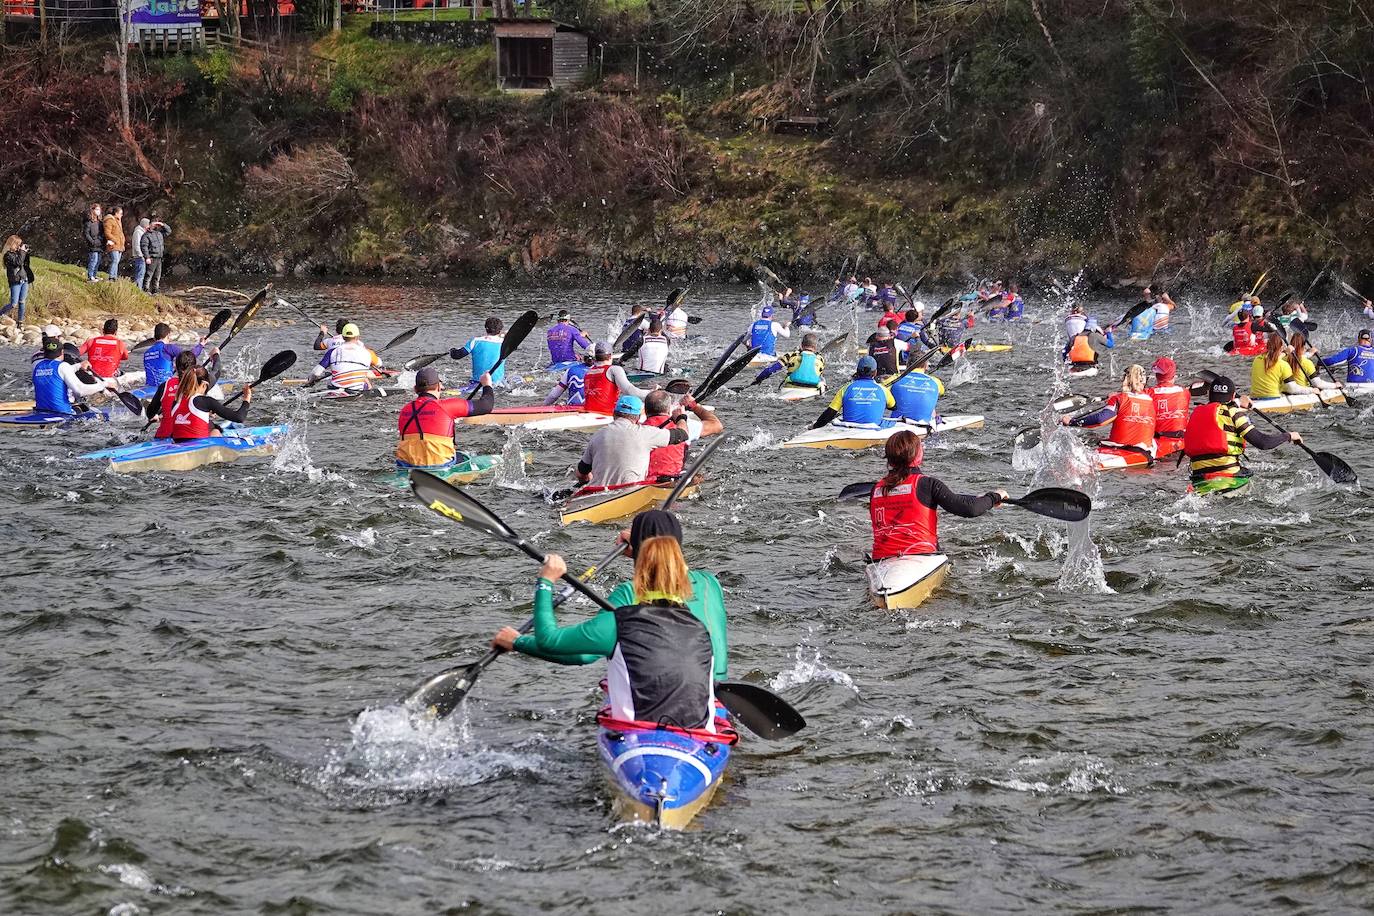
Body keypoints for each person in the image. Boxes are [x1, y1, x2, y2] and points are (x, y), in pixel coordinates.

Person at [493, 510, 729, 732]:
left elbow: (581, 655)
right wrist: (642, 551)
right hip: (709, 700)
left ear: (637, 551)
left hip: (646, 722)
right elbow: (671, 567)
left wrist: (519, 640)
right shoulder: (710, 584)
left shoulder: (626, 599)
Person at [869, 431, 1006, 561]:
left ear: (890, 460)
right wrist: (994, 497)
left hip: (880, 561)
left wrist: (981, 498)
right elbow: (970, 509)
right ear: (917, 455)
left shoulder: (876, 489)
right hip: (922, 556)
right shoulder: (928, 484)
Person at [1183, 375, 1301, 487]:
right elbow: (1263, 443)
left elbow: (1217, 411)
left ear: (1210, 395)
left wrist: (1238, 403)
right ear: (1233, 396)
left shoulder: (1196, 413)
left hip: (1199, 479)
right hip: (1227, 477)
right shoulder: (1234, 413)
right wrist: (1288, 436)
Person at [574, 394, 689, 490]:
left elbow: (581, 474)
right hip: (629, 492)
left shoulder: (597, 435)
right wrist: (680, 417)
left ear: (614, 414)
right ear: (638, 418)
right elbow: (682, 435)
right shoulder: (646, 433)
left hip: (596, 492)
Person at [395, 368, 495, 470]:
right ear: (439, 387)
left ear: (415, 389)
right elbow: (486, 405)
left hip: (405, 466)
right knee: (464, 456)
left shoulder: (405, 410)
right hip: (440, 466)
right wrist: (487, 385)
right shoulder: (447, 406)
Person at [1062, 364, 1157, 464]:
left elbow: (1101, 420)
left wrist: (1072, 422)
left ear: (1126, 379)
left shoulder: (1119, 399)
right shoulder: (1151, 400)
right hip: (1144, 453)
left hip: (1118, 450)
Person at [641, 388, 723, 480]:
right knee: (700, 477)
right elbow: (717, 425)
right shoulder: (685, 425)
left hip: (644, 482)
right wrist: (694, 406)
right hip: (672, 481)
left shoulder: (636, 428)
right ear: (668, 409)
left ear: (645, 410)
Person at [32, 336, 117, 415]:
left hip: (41, 411)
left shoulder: (37, 367)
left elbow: (58, 373)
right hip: (63, 412)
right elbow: (80, 391)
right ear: (62, 352)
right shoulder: (63, 366)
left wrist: (79, 365)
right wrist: (104, 385)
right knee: (89, 410)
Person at [166, 364, 252, 441]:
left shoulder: (176, 401)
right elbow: (239, 417)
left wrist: (205, 413)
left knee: (211, 427)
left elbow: (188, 420)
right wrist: (247, 397)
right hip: (199, 448)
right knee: (215, 432)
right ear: (204, 385)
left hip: (178, 445)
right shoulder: (205, 401)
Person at [813, 356, 894, 428]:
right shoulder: (883, 389)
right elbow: (893, 407)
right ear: (875, 372)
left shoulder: (845, 388)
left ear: (857, 371)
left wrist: (815, 426)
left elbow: (830, 413)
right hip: (873, 429)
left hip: (849, 428)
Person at [583, 342, 654, 414]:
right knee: (643, 406)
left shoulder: (588, 372)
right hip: (607, 413)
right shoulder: (614, 369)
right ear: (610, 356)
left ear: (596, 357)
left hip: (589, 411)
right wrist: (651, 393)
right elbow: (629, 391)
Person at [309, 323, 382, 391]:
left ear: (343, 337)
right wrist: (371, 359)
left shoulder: (332, 352)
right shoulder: (368, 352)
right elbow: (379, 363)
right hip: (357, 390)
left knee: (329, 382)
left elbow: (316, 373)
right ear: (358, 337)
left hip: (336, 389)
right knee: (368, 383)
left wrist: (311, 381)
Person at [142, 323, 210, 391]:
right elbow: (189, 356)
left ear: (154, 337)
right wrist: (201, 345)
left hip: (148, 389)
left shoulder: (146, 353)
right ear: (168, 335)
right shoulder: (168, 348)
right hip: (165, 388)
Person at [1250, 333, 1316, 399]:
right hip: (1273, 399)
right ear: (1281, 348)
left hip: (1254, 398)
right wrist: (1312, 390)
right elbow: (1292, 389)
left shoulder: (1257, 359)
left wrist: (1285, 352)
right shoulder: (1283, 365)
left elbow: (1273, 358)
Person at [1146, 358, 1190, 458]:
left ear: (1156, 375)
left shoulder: (1148, 393)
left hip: (1158, 444)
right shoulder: (1185, 392)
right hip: (1181, 443)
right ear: (1173, 375)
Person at [753, 332, 825, 392]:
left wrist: (758, 379)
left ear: (801, 345)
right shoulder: (820, 359)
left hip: (790, 388)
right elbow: (820, 376)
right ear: (815, 347)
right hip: (811, 389)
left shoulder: (790, 355)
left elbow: (771, 370)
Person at [450, 316, 506, 387]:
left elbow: (458, 355)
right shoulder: (505, 343)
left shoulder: (475, 341)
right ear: (500, 330)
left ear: (486, 328)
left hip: (478, 383)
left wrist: (452, 351)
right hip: (498, 384)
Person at [889, 351, 943, 424]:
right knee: (931, 398)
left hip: (897, 424)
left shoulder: (894, 379)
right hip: (924, 425)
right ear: (926, 366)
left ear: (907, 364)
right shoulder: (936, 382)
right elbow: (942, 393)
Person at [2, 235, 34, 325]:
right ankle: (0, 314)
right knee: (13, 304)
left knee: (22, 302)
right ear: (13, 244)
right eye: (18, 244)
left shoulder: (19, 253)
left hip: (24, 280)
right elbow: (18, 262)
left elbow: (25, 263)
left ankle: (20, 321)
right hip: (15, 281)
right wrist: (22, 252)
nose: (20, 246)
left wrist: (26, 253)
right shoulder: (8, 255)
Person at [140, 219, 170, 293]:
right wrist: (147, 257)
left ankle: (155, 290)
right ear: (149, 225)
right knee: (149, 275)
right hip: (152, 257)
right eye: (154, 224)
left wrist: (163, 225)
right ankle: (145, 290)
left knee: (157, 275)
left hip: (159, 257)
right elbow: (144, 247)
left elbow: (168, 231)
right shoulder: (146, 235)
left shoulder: (159, 233)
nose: (155, 225)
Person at [102, 206, 125, 281]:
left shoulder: (118, 221)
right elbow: (107, 233)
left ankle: (114, 276)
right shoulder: (109, 220)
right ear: (116, 213)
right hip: (113, 244)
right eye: (120, 213)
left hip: (119, 245)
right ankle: (111, 276)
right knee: (115, 260)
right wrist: (115, 240)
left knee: (117, 261)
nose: (121, 215)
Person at [83, 204, 104, 282]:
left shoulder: (100, 222)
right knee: (93, 260)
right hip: (92, 244)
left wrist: (100, 240)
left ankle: (94, 275)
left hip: (99, 244)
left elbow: (102, 233)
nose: (98, 211)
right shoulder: (88, 222)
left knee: (98, 260)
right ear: (93, 210)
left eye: (99, 210)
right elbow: (86, 233)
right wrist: (92, 242)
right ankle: (90, 276)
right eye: (96, 209)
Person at [128, 218, 150, 290]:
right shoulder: (138, 232)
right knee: (140, 274)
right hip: (139, 256)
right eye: (148, 224)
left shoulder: (142, 232)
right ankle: (138, 290)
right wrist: (141, 255)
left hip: (141, 256)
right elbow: (136, 245)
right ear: (145, 225)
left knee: (141, 274)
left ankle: (138, 289)